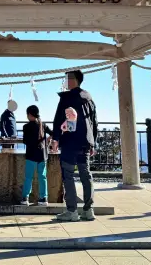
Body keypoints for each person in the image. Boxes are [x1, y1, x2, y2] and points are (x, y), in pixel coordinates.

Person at [50, 70, 98, 222]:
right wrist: (93, 142)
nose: (65, 81)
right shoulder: (89, 98)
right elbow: (94, 122)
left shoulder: (67, 98)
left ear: (75, 80)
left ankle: (72, 211)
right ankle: (88, 210)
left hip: (70, 141)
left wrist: (55, 139)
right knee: (85, 175)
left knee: (68, 175)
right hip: (85, 142)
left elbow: (58, 120)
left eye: (68, 78)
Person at [21, 105, 52, 207]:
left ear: (30, 115)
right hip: (42, 155)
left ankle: (25, 198)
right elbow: (53, 133)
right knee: (42, 177)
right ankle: (43, 198)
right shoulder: (43, 125)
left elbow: (25, 141)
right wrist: (48, 139)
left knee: (28, 177)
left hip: (31, 155)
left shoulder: (26, 127)